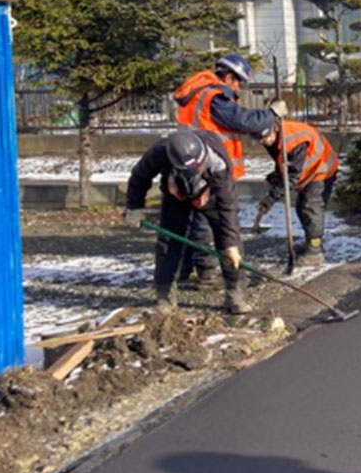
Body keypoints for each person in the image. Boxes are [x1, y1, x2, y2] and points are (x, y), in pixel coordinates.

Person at [173, 53, 287, 287]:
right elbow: (242, 120)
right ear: (227, 76)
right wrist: (271, 114)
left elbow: (230, 125)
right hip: (210, 170)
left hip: (199, 165)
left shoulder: (202, 95)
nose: (240, 89)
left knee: (199, 220)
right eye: (239, 82)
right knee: (214, 221)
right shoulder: (213, 97)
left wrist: (262, 131)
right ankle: (212, 276)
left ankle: (193, 271)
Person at [123, 129, 249, 314]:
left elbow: (227, 207)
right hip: (177, 195)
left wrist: (230, 244)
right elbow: (139, 177)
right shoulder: (160, 152)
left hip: (212, 194)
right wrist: (134, 208)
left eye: (199, 167)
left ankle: (235, 293)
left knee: (229, 243)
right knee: (168, 242)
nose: (196, 170)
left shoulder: (217, 162)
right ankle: (164, 296)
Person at [253, 120, 339, 267]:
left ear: (273, 129)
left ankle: (315, 252)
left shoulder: (293, 141)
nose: (264, 142)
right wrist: (277, 175)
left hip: (322, 168)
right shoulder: (274, 137)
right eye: (260, 139)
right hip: (310, 168)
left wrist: (270, 198)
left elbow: (291, 177)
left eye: (266, 137)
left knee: (310, 208)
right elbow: (286, 162)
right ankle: (311, 243)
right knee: (301, 207)